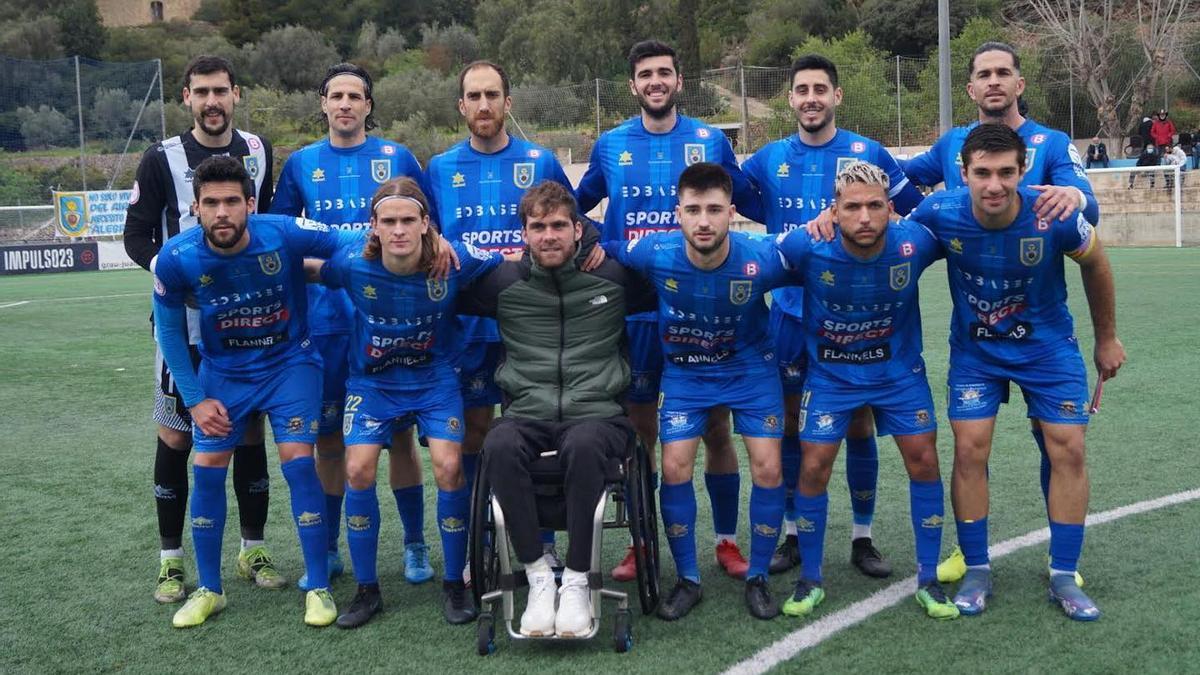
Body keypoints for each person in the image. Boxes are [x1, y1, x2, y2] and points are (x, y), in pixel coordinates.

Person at [900, 41, 1099, 583]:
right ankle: (972, 552)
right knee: (971, 446)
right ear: (970, 87)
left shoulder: (1051, 144)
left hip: (1042, 332)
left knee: (1056, 440)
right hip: (977, 337)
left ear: (1019, 83)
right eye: (983, 73)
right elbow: (903, 192)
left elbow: (1087, 209)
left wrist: (1074, 199)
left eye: (1003, 72)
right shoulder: (950, 145)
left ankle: (1063, 562)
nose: (993, 81)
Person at [908, 124, 1124, 621]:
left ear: (1022, 171)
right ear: (962, 174)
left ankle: (1064, 575)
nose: (994, 185)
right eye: (982, 173)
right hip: (977, 352)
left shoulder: (1053, 214)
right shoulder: (939, 212)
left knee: (1067, 446)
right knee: (970, 446)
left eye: (1006, 172)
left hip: (1048, 350)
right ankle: (978, 568)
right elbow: (891, 250)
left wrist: (1106, 338)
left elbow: (1096, 262)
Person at [741, 53, 925, 578]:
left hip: (857, 315)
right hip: (792, 315)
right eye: (802, 90)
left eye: (821, 88)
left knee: (860, 422)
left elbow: (910, 209)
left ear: (836, 96)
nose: (811, 98)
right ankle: (796, 534)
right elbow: (739, 200)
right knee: (793, 427)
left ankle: (862, 537)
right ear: (791, 99)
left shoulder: (868, 153)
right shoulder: (769, 157)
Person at [577, 40, 754, 582]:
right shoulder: (610, 145)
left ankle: (726, 540)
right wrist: (592, 242)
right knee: (641, 432)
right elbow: (573, 204)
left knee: (716, 430)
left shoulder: (708, 141)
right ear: (633, 85)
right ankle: (641, 541)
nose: (656, 82)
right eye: (645, 75)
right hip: (630, 311)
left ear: (680, 81)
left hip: (700, 307)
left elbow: (753, 201)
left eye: (665, 73)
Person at [151, 156, 344, 628]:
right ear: (195, 207)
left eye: (232, 201)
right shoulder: (176, 258)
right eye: (211, 203)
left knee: (299, 462)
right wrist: (195, 399)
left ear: (250, 204)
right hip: (225, 373)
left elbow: (346, 238)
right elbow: (171, 333)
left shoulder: (282, 231)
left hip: (289, 366)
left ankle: (317, 586)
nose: (222, 212)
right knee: (208, 466)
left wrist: (394, 247)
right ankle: (210, 590)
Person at [457, 180, 652, 638]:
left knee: (584, 444)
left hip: (599, 414)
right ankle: (539, 575)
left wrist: (610, 243)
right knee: (497, 444)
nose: (549, 235)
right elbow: (440, 281)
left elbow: (678, 266)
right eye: (538, 226)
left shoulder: (615, 278)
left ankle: (579, 580)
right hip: (527, 413)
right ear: (523, 233)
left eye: (559, 225)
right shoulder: (502, 283)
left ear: (578, 228)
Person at [307, 177, 500, 628]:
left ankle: (455, 584)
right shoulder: (353, 263)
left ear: (425, 224)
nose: (399, 230)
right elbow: (311, 269)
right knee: (357, 469)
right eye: (388, 221)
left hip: (434, 380)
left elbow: (506, 262)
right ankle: (367, 590)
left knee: (450, 467)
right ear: (372, 226)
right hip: (373, 383)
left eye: (408, 220)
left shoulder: (454, 262)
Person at [123, 55, 280, 603]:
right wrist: (176, 280)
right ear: (186, 98)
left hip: (245, 319)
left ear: (236, 94)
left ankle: (252, 548)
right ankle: (171, 561)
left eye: (221, 91)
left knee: (249, 433)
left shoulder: (258, 151)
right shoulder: (161, 158)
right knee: (177, 434)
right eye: (201, 92)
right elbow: (137, 235)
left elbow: (266, 227)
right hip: (184, 325)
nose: (212, 101)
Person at [271, 62, 433, 589]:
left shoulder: (397, 158)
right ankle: (330, 547)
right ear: (323, 104)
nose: (344, 104)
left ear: (368, 105)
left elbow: (429, 229)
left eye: (354, 96)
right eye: (335, 95)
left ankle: (414, 545)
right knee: (330, 444)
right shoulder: (300, 165)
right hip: (324, 328)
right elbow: (282, 243)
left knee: (402, 441)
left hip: (390, 323)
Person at [605, 162, 789, 621]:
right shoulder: (653, 251)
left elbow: (814, 252)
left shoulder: (763, 255)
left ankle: (759, 576)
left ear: (731, 212)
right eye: (693, 210)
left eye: (713, 210)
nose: (703, 220)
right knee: (674, 466)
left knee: (767, 467)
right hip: (686, 375)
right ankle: (689, 579)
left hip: (750, 372)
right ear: (678, 213)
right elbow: (603, 250)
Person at [773, 161, 956, 620]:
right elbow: (748, 261)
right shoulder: (807, 244)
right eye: (852, 207)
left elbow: (968, 231)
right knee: (813, 465)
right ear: (833, 211)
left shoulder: (916, 243)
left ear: (890, 208)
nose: (865, 217)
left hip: (898, 374)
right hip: (831, 376)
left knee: (925, 460)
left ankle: (929, 578)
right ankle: (810, 578)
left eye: (875, 205)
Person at [425, 60, 576, 567]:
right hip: (466, 325)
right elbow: (432, 241)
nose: (485, 105)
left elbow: (571, 229)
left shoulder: (541, 161)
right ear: (461, 106)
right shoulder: (441, 168)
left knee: (535, 429)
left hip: (532, 324)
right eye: (475, 96)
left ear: (508, 103)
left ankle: (546, 544)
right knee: (474, 432)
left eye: (493, 95)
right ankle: (480, 539)